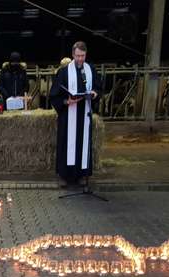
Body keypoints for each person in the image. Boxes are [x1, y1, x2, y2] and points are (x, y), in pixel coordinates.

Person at [49, 41, 101, 187]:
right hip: (68, 115)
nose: (80, 59)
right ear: (72, 54)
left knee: (83, 145)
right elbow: (54, 95)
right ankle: (64, 176)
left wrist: (95, 93)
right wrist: (66, 101)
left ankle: (82, 175)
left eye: (82, 56)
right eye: (77, 56)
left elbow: (98, 87)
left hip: (84, 114)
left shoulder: (90, 69)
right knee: (67, 144)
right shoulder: (64, 72)